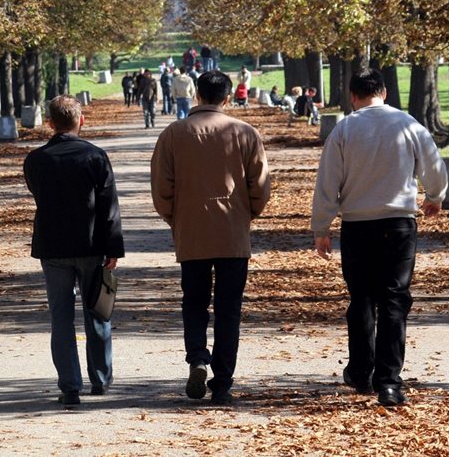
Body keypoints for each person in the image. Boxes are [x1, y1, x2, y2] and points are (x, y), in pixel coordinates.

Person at [311, 68, 447, 408]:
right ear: (384, 92)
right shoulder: (408, 124)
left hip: (357, 225)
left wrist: (322, 227)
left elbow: (328, 181)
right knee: (394, 300)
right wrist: (434, 196)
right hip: (399, 224)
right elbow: (433, 164)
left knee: (361, 299)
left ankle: (360, 371)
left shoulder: (344, 129)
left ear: (354, 96)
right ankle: (388, 381)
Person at [151, 70, 270, 405]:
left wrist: (173, 216)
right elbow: (259, 184)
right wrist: (249, 213)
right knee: (229, 308)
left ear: (198, 95)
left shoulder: (174, 134)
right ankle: (223, 381)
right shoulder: (244, 133)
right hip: (232, 231)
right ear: (228, 98)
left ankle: (198, 357)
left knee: (194, 302)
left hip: (192, 231)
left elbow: (162, 187)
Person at [23, 95, 125, 407]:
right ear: (81, 120)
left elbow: (36, 192)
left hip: (52, 247)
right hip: (92, 245)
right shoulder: (95, 156)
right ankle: (100, 377)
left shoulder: (36, 160)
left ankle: (70, 385)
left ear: (50, 123)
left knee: (61, 317)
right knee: (97, 311)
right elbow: (109, 206)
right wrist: (114, 247)